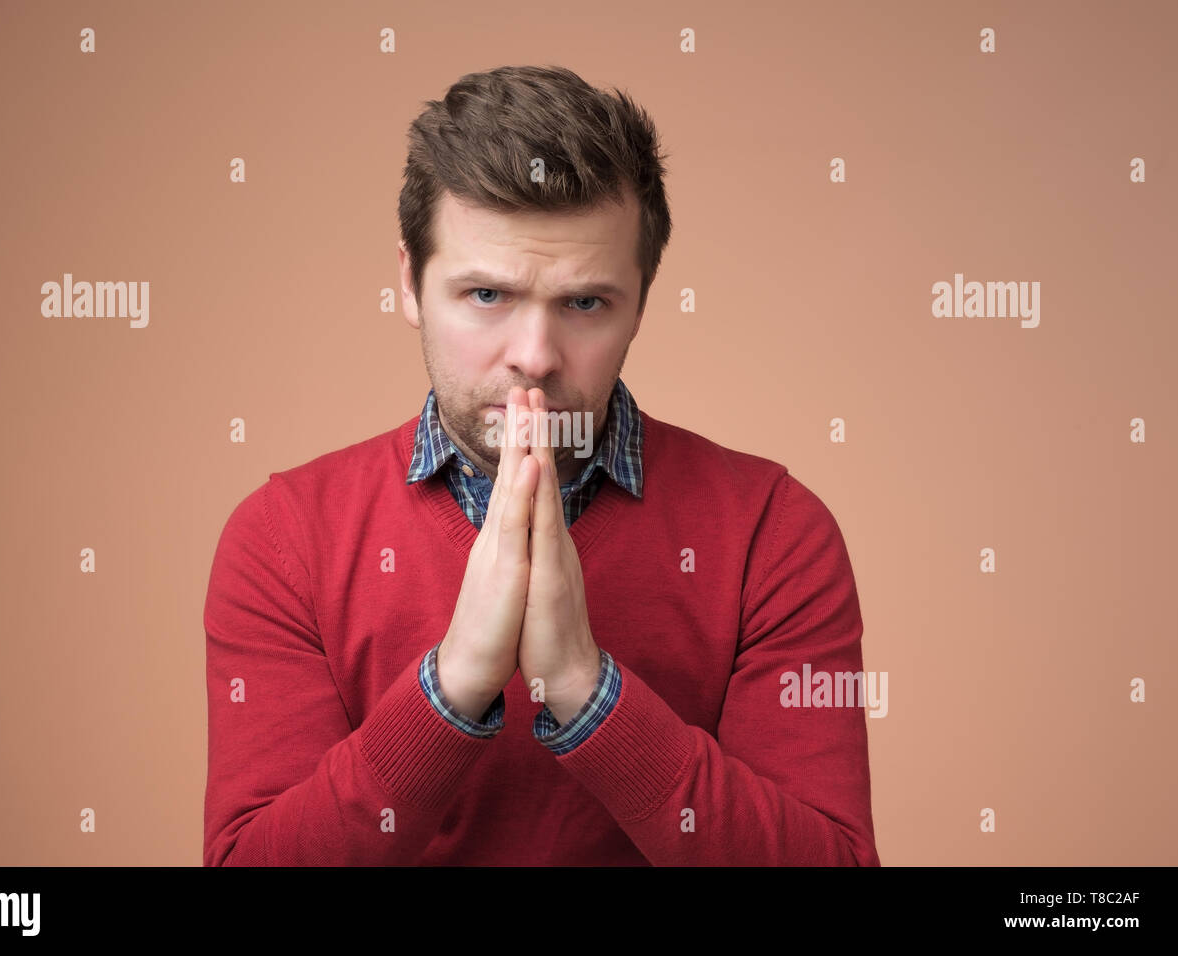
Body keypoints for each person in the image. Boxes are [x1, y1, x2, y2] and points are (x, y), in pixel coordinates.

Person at [202, 64, 881, 866]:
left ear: (641, 300)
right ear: (410, 287)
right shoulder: (285, 538)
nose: (534, 357)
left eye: (585, 303)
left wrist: (586, 690)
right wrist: (454, 685)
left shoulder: (773, 532)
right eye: (486, 296)